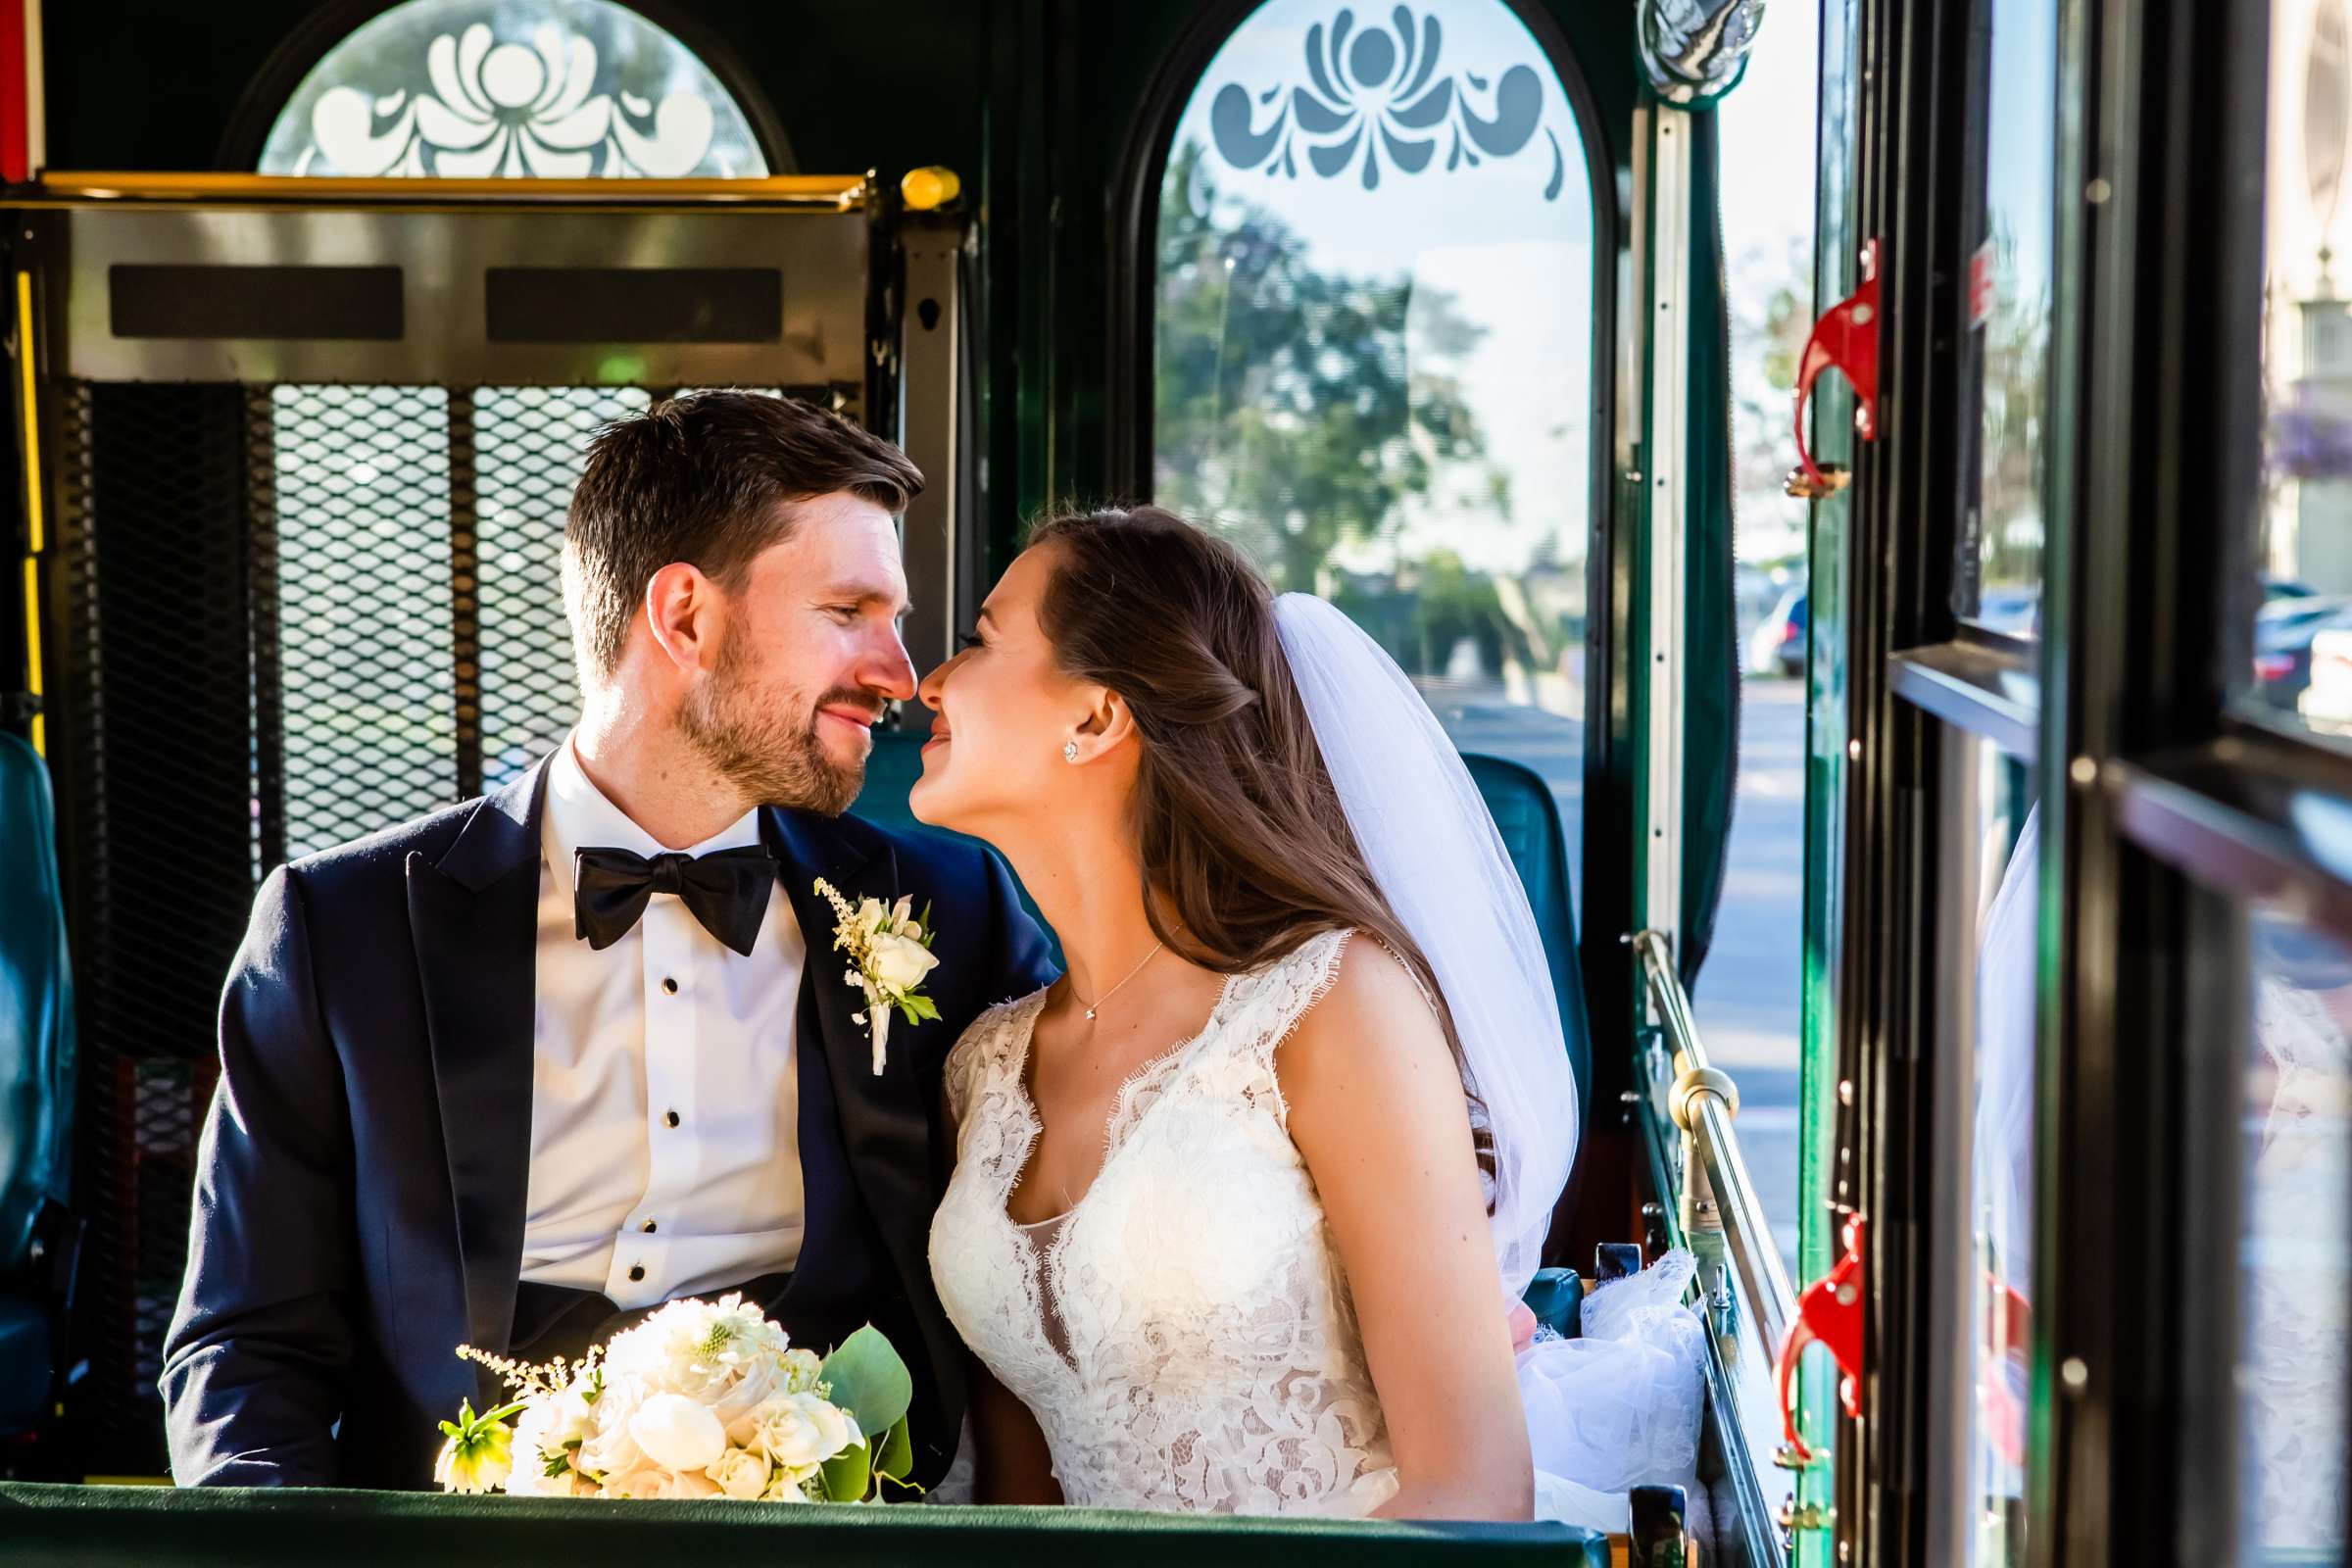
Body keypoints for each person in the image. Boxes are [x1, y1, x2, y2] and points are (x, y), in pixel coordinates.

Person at [161, 391, 1056, 1491]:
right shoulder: (339, 931)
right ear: (684, 617)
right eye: (851, 611)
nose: (898, 670)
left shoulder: (951, 912)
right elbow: (246, 1349)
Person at [916, 506, 1704, 1523]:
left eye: (980, 638)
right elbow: (1019, 1502)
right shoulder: (984, 1068)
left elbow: (1469, 1489)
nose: (929, 680)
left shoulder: (1334, 1006)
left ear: (1097, 717)